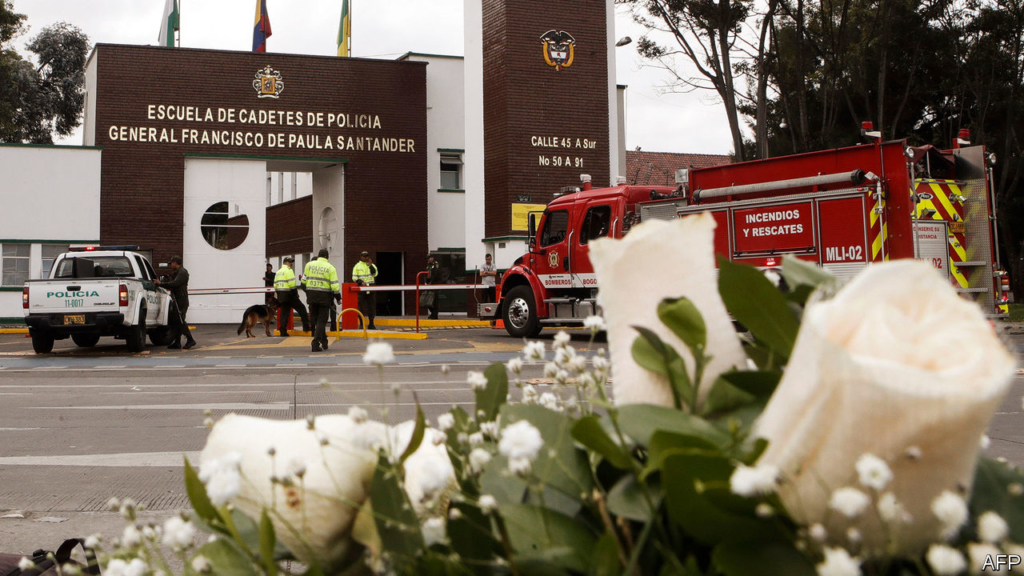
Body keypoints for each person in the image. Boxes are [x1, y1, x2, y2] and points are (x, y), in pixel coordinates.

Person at [302, 248, 340, 353]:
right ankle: (315, 343)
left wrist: (308, 293)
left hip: (312, 296)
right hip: (324, 297)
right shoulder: (330, 267)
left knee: (316, 320)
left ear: (318, 256)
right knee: (322, 320)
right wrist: (338, 298)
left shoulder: (309, 265)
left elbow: (303, 282)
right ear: (327, 257)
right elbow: (335, 285)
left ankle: (324, 340)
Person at [156, 256, 196, 350]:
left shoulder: (182, 272)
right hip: (176, 299)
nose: (171, 265)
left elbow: (174, 284)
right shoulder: (176, 273)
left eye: (171, 263)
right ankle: (177, 342)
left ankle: (190, 339)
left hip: (181, 300)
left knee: (180, 320)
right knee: (175, 321)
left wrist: (161, 284)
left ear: (175, 263)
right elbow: (171, 281)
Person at [274, 256, 310, 336]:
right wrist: (295, 294)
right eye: (290, 262)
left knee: (284, 313)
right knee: (302, 309)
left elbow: (275, 285)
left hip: (281, 294)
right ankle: (306, 326)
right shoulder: (289, 270)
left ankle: (283, 331)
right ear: (285, 262)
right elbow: (292, 284)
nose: (291, 264)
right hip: (289, 294)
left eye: (292, 262)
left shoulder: (278, 272)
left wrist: (278, 294)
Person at [352, 251, 379, 330]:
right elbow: (354, 277)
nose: (365, 258)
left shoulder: (372, 265)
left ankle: (371, 323)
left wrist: (371, 266)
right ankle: (361, 323)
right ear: (361, 257)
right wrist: (360, 282)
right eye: (364, 256)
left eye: (367, 256)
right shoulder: (357, 266)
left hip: (371, 287)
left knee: (371, 306)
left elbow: (375, 274)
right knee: (361, 307)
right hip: (361, 288)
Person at [421, 255, 442, 320]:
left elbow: (435, 274)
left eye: (429, 258)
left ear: (432, 258)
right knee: (427, 300)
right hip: (429, 284)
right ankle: (433, 313)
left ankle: (435, 315)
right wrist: (425, 282)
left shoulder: (436, 265)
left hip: (435, 284)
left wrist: (431, 282)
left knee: (434, 300)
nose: (428, 260)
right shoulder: (428, 265)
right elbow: (425, 274)